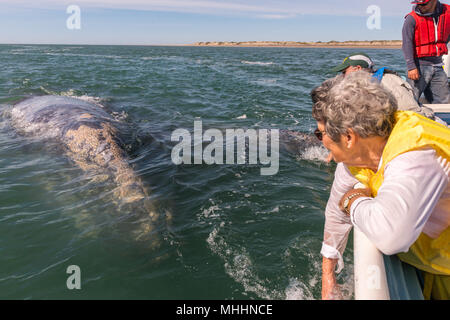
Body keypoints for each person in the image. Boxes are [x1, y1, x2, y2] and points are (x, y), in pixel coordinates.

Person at [312, 71, 450, 300]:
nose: (321, 140)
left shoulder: (414, 153)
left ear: (348, 137)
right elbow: (335, 213)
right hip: (432, 263)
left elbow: (391, 236)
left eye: (321, 133)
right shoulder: (356, 159)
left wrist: (352, 200)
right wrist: (328, 277)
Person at [331, 53, 438, 121]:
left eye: (344, 72)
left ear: (357, 68)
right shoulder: (365, 86)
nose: (342, 76)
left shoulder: (387, 81)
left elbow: (411, 113)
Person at [402, 0, 450, 103]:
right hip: (419, 67)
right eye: (418, 3)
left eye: (423, 4)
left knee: (444, 101)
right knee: (411, 101)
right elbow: (407, 44)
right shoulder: (411, 19)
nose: (420, 6)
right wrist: (411, 67)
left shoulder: (447, 14)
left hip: (438, 66)